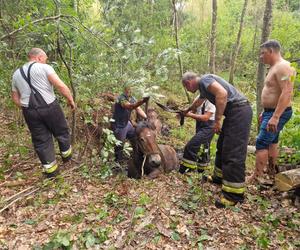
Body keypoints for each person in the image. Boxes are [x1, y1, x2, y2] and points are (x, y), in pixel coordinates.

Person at [182, 72, 252, 208]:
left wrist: (218, 120)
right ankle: (219, 178)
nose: (188, 90)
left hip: (239, 111)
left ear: (188, 83)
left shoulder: (204, 80)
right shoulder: (204, 87)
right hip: (234, 112)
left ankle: (234, 195)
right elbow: (198, 102)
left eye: (186, 87)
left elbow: (222, 94)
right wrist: (187, 110)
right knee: (222, 145)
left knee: (233, 151)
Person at [11, 48, 75, 178]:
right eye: (45, 59)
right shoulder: (44, 68)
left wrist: (27, 107)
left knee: (41, 141)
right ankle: (67, 159)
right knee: (61, 132)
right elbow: (61, 86)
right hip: (50, 107)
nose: (45, 61)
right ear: (39, 57)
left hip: (29, 111)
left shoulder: (16, 74)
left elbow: (15, 99)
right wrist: (70, 100)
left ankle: (52, 173)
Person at [248, 40, 296, 183]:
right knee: (272, 142)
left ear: (271, 51)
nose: (261, 57)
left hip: (278, 112)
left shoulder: (284, 67)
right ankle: (271, 172)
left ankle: (256, 177)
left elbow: (287, 92)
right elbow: (273, 91)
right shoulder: (275, 67)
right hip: (271, 111)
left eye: (263, 53)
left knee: (261, 142)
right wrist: (266, 111)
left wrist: (275, 116)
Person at [111, 85, 148, 162]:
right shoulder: (121, 98)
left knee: (135, 137)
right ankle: (118, 162)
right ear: (124, 90)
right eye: (127, 89)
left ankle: (136, 155)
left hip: (127, 123)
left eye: (130, 89)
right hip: (119, 125)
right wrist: (142, 101)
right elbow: (130, 106)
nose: (129, 91)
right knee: (119, 145)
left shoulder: (132, 98)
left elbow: (138, 109)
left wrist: (146, 117)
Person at [179, 98, 215, 173]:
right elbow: (194, 109)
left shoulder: (211, 100)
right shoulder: (199, 97)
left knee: (191, 146)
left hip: (208, 127)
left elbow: (206, 117)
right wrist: (184, 112)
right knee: (203, 148)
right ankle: (202, 171)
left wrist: (190, 115)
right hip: (200, 126)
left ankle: (186, 170)